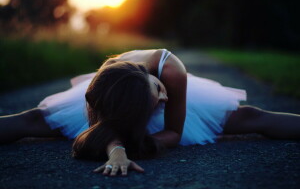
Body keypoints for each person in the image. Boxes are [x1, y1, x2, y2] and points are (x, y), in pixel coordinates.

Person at [0, 49, 299, 177]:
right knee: (34, 119)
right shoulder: (103, 86)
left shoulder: (171, 73)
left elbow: (174, 132)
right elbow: (106, 125)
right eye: (159, 97)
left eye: (158, 90)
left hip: (162, 88)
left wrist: (138, 146)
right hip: (122, 95)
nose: (165, 97)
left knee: (251, 117)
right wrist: (115, 151)